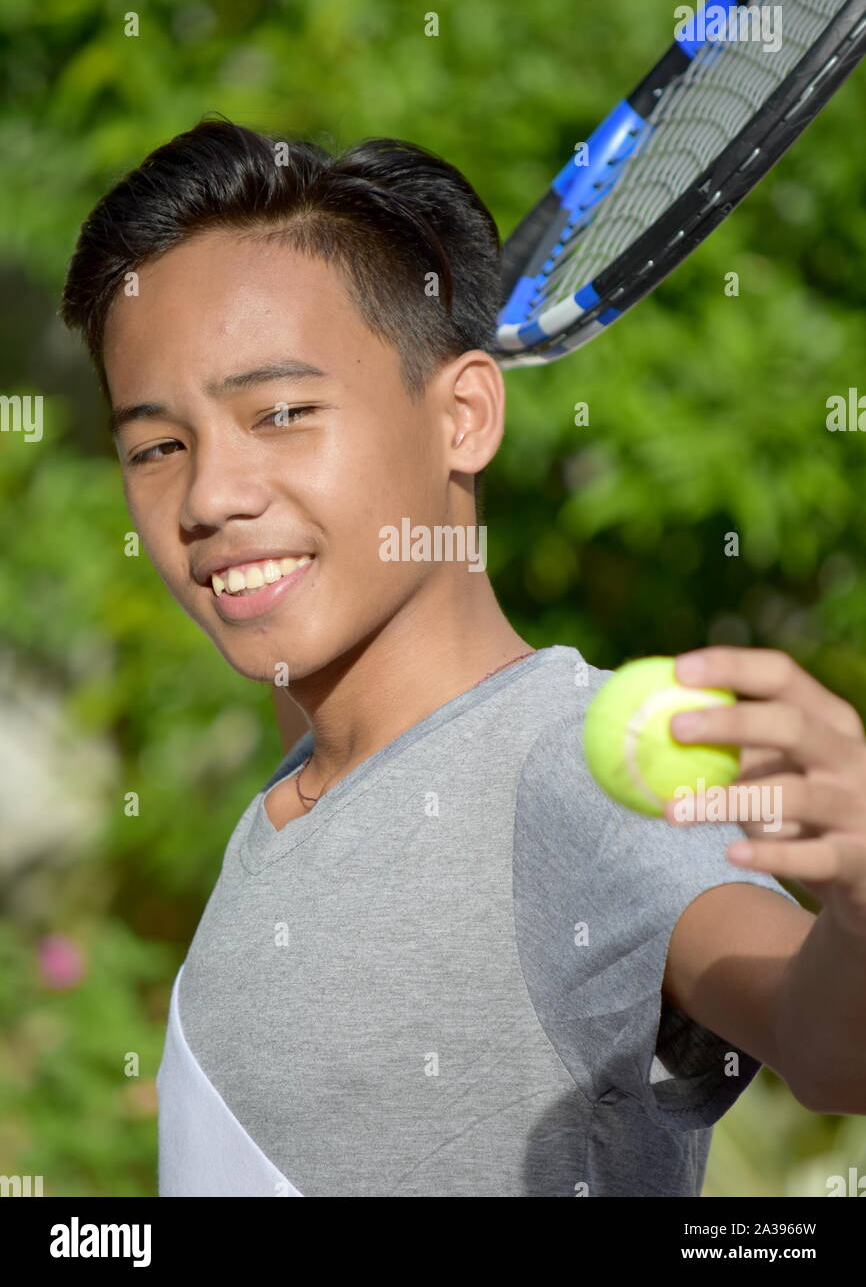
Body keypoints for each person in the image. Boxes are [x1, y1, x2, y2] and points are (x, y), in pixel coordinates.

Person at [59, 116, 865, 1197]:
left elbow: (824, 1044)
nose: (208, 497)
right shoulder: (303, 786)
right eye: (157, 446)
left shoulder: (564, 771)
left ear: (465, 414)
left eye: (283, 412)